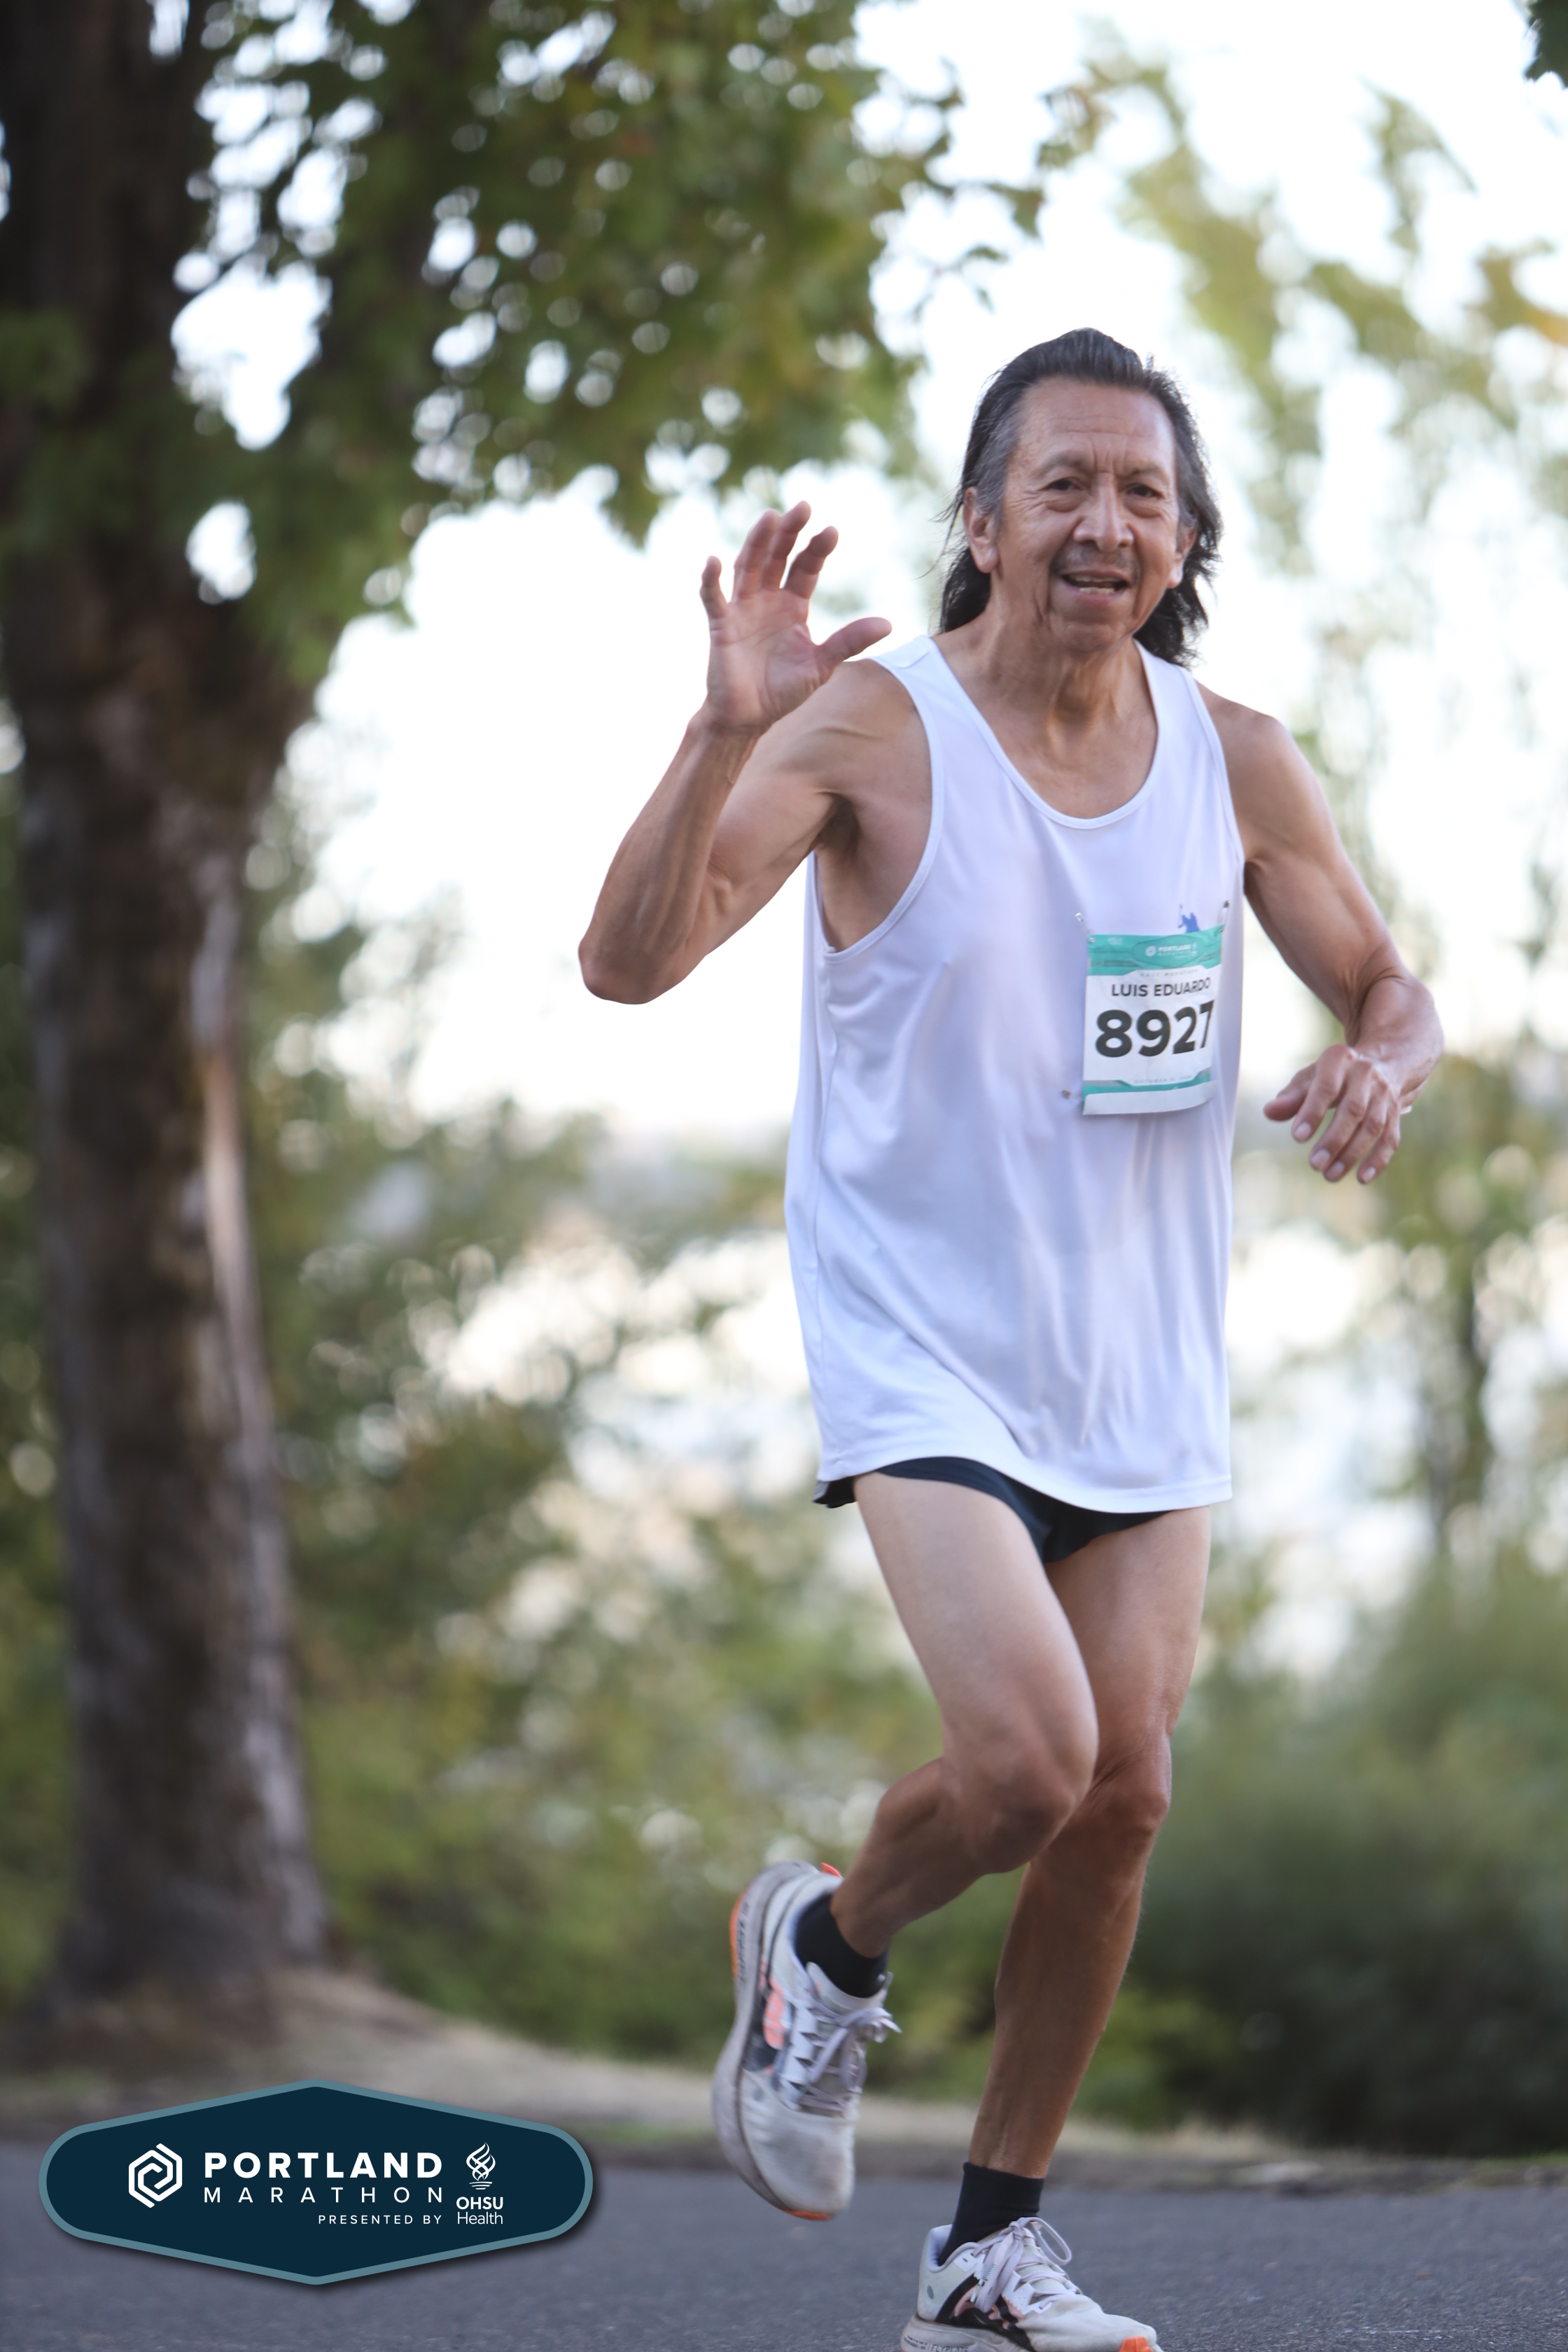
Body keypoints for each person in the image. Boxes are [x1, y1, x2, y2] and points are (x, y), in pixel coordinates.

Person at [580, 328, 1441, 2352]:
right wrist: (717, 735)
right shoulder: (875, 730)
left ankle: (985, 2248)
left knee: (1123, 1796)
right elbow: (628, 963)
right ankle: (828, 1946)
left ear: (1184, 540)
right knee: (1033, 1760)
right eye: (1063, 483)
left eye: (1145, 493)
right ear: (980, 522)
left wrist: (1383, 1066)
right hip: (922, 1337)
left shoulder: (1234, 759)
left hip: (1138, 1352)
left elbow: (1391, 983)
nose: (1104, 522)